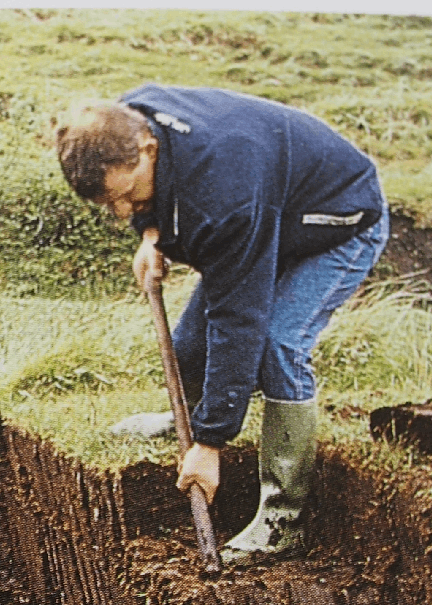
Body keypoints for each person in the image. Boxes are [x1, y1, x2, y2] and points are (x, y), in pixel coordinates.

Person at [54, 85, 388, 562]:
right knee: (190, 343)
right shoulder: (126, 117)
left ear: (147, 149)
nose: (123, 211)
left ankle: (282, 518)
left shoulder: (223, 191)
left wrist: (211, 445)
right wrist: (151, 234)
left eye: (126, 196)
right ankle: (182, 421)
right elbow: (158, 198)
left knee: (278, 344)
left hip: (337, 219)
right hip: (269, 210)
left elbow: (239, 321)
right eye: (110, 205)